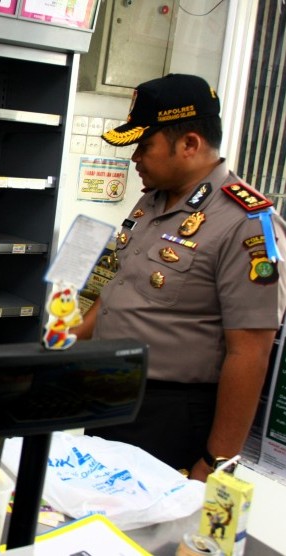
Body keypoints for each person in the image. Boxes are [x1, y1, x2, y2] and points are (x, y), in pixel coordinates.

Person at [74, 73, 286, 482]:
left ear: (189, 143)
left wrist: (216, 462)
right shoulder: (153, 200)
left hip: (169, 416)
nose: (135, 157)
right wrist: (61, 348)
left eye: (144, 145)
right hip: (111, 395)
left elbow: (250, 353)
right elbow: (120, 289)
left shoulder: (247, 224)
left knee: (151, 537)